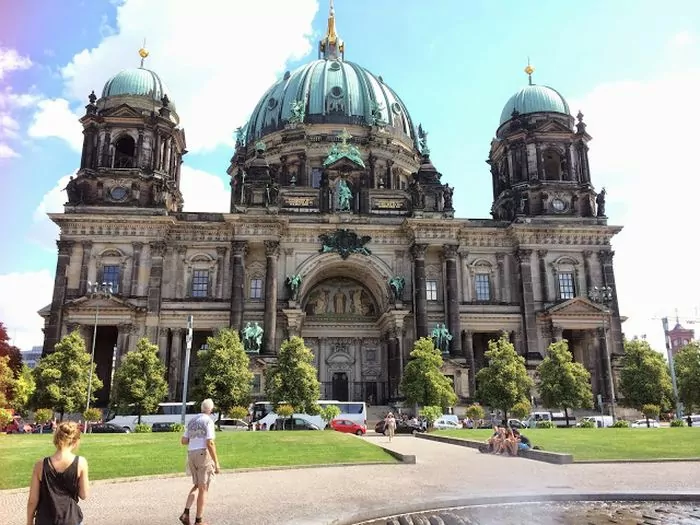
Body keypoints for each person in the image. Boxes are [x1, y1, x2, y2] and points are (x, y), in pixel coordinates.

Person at [26, 421, 90, 525]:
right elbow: (84, 494)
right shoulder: (81, 463)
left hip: (45, 520)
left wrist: (29, 522)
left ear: (56, 439)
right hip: (70, 518)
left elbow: (33, 499)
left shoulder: (40, 465)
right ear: (75, 441)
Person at [179, 399, 221, 525]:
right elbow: (210, 442)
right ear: (211, 409)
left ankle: (186, 512)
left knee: (197, 485)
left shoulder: (192, 421)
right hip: (203, 454)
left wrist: (196, 436)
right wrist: (216, 462)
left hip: (191, 453)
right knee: (204, 488)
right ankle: (199, 520)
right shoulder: (208, 421)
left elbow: (184, 441)